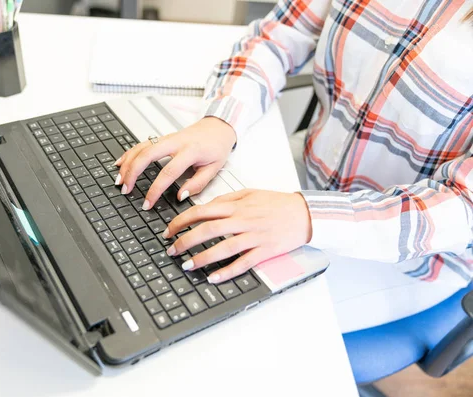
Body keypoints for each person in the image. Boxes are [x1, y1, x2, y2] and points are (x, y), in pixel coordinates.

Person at [115, 1, 473, 332]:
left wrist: (308, 217)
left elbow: (464, 205)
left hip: (410, 252)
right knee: (157, 231)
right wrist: (221, 122)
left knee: (223, 319)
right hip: (313, 167)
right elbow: (277, 36)